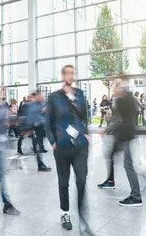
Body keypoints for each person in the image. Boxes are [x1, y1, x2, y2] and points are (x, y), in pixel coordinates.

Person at [45, 65, 93, 235]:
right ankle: (65, 214)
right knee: (63, 182)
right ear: (63, 75)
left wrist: (86, 133)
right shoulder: (54, 97)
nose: (70, 75)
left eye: (72, 73)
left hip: (80, 145)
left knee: (81, 180)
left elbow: (85, 116)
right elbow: (47, 122)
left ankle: (82, 217)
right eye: (67, 73)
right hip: (63, 146)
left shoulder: (80, 95)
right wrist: (53, 142)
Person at [97, 86, 144, 207]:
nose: (114, 91)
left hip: (125, 135)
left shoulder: (122, 101)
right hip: (124, 135)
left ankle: (136, 196)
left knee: (128, 165)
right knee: (112, 156)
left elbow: (119, 120)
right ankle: (110, 181)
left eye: (116, 89)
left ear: (121, 91)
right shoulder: (129, 99)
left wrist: (106, 129)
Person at [23, 93, 52, 172]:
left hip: (39, 127)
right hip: (35, 127)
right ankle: (40, 165)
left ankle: (40, 164)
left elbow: (41, 114)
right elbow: (31, 117)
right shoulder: (32, 105)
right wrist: (30, 128)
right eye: (40, 97)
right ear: (36, 97)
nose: (42, 98)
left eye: (42, 97)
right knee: (37, 147)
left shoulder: (39, 104)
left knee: (37, 146)